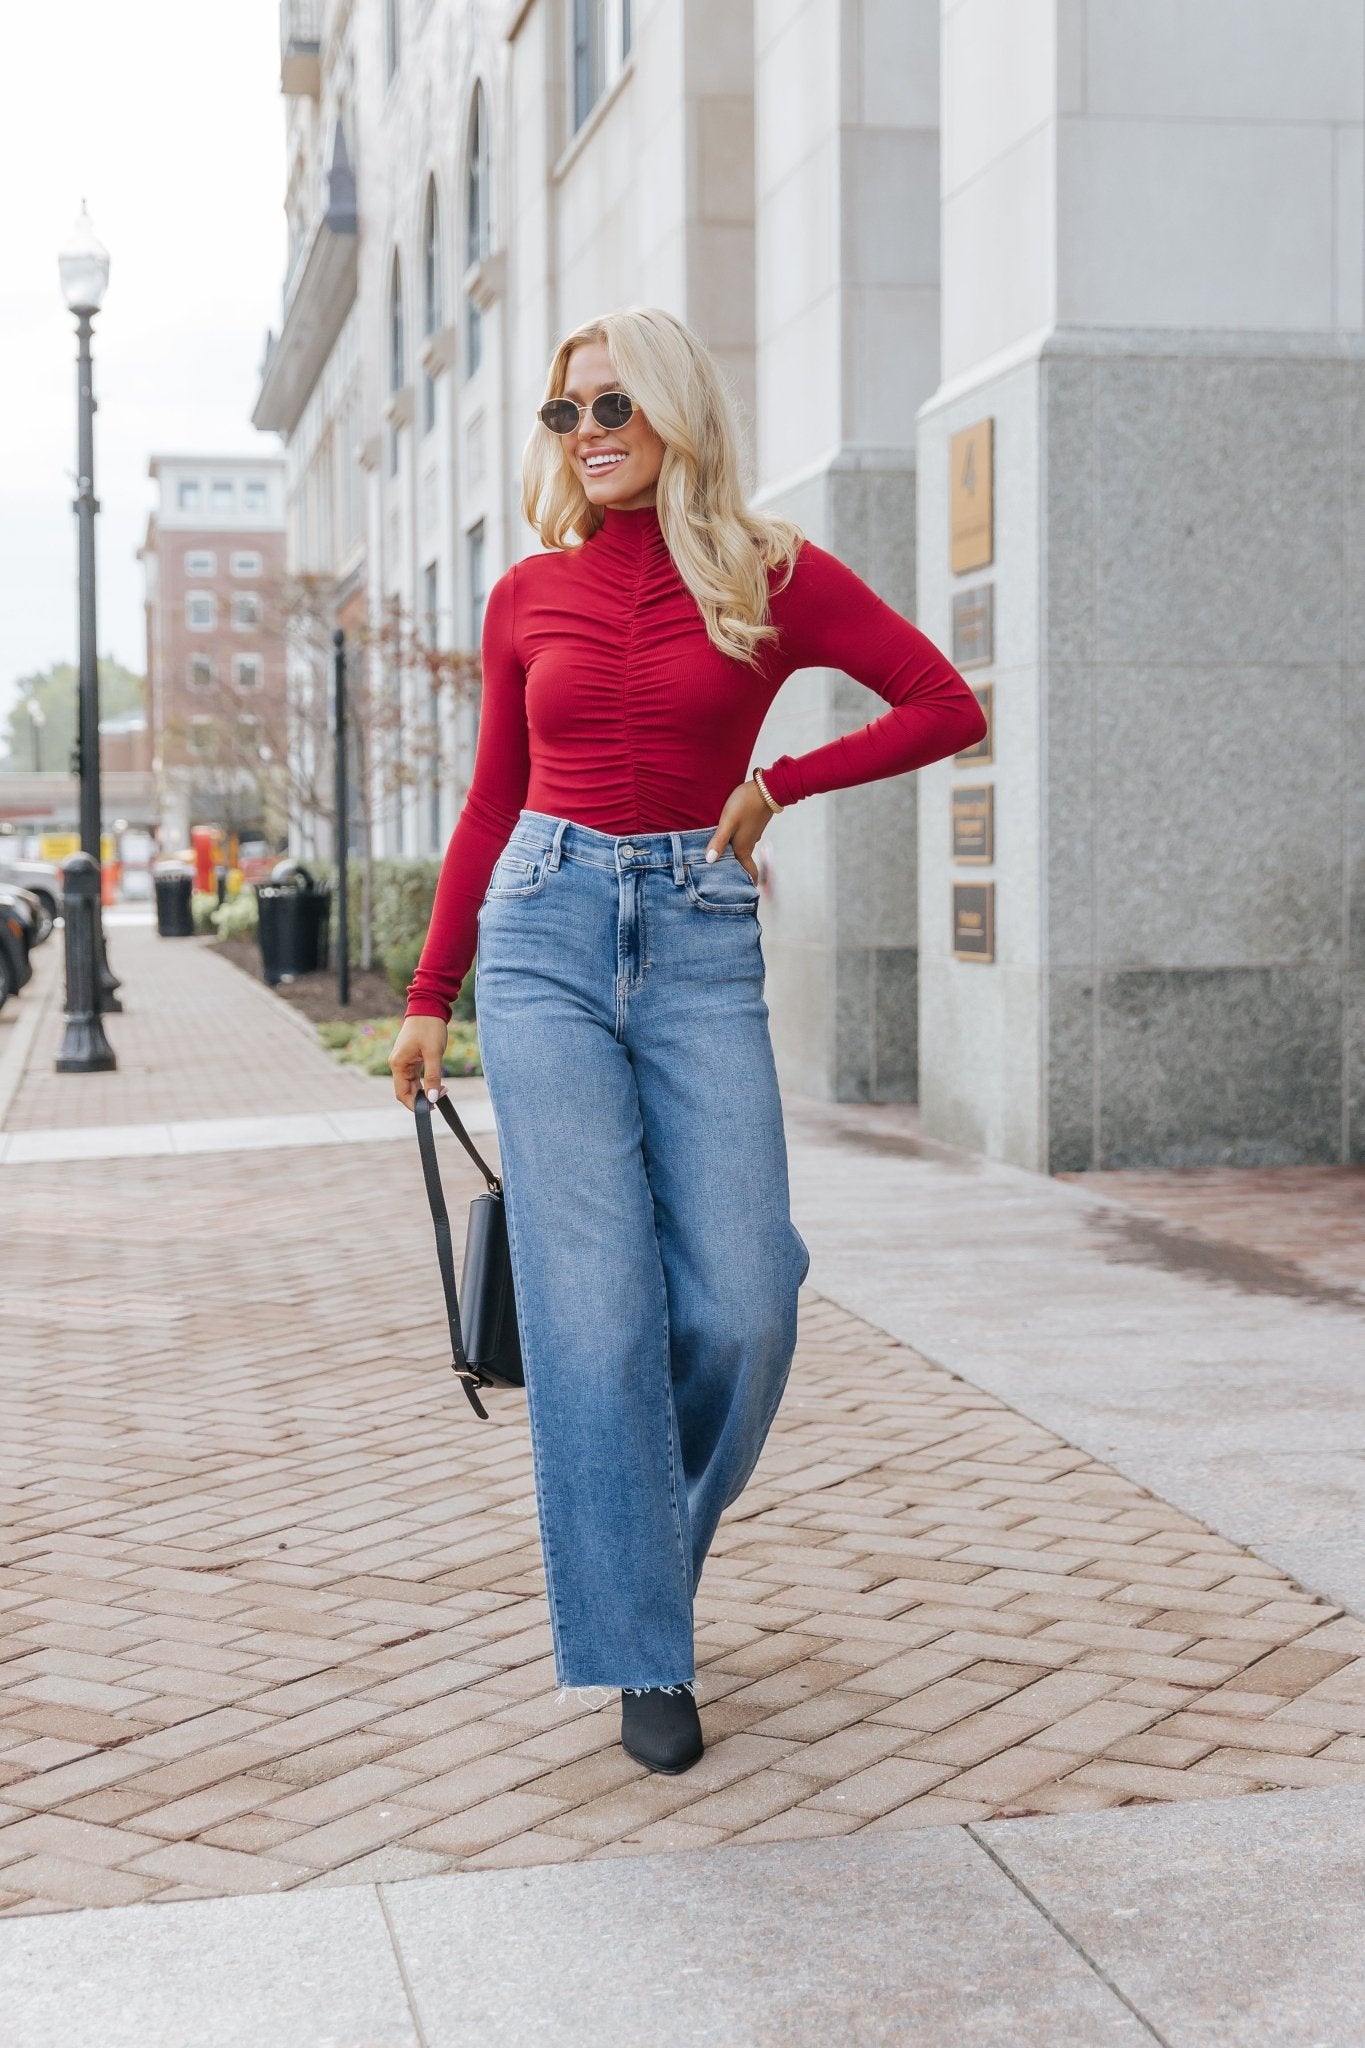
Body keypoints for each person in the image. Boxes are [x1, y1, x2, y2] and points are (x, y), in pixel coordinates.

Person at [389, 307, 986, 1775]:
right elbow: (487, 805)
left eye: (611, 408)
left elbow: (941, 703)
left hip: (697, 935)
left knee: (744, 1300)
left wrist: (779, 779)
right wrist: (426, 989)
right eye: (562, 415)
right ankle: (644, 1646)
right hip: (540, 931)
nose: (587, 435)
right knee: (591, 1315)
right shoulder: (528, 592)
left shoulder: (767, 575)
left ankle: (642, 1552)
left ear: (670, 411)